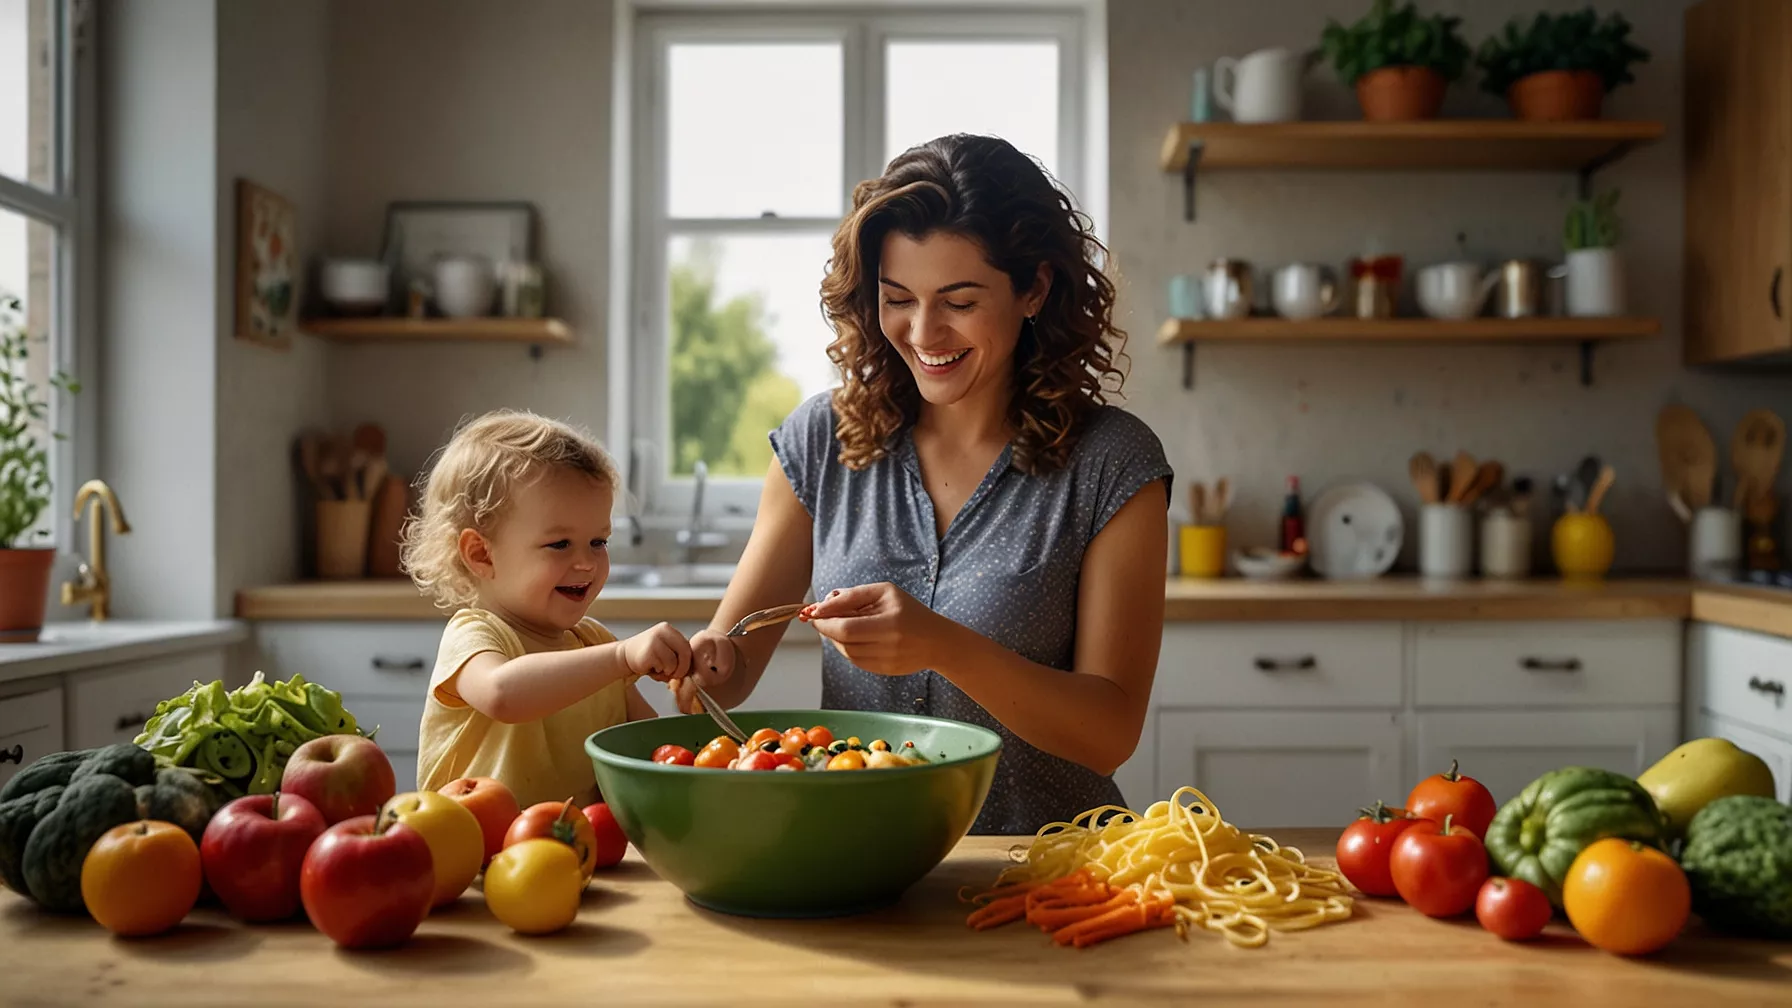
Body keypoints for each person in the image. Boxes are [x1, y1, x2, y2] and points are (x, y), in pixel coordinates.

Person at [675, 134, 1173, 834]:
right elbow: (723, 676)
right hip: (861, 865)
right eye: (897, 298)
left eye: (960, 301)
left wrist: (945, 644)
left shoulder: (1112, 462)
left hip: (1050, 873)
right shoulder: (822, 440)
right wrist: (702, 663)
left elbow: (1108, 733)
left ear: (1033, 288)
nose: (923, 331)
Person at [403, 410, 693, 808]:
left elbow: (651, 748)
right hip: (477, 861)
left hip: (580, 855)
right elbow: (503, 693)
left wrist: (695, 686)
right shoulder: (474, 636)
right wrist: (622, 656)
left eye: (599, 542)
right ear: (481, 554)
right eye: (560, 544)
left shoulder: (594, 644)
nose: (588, 563)